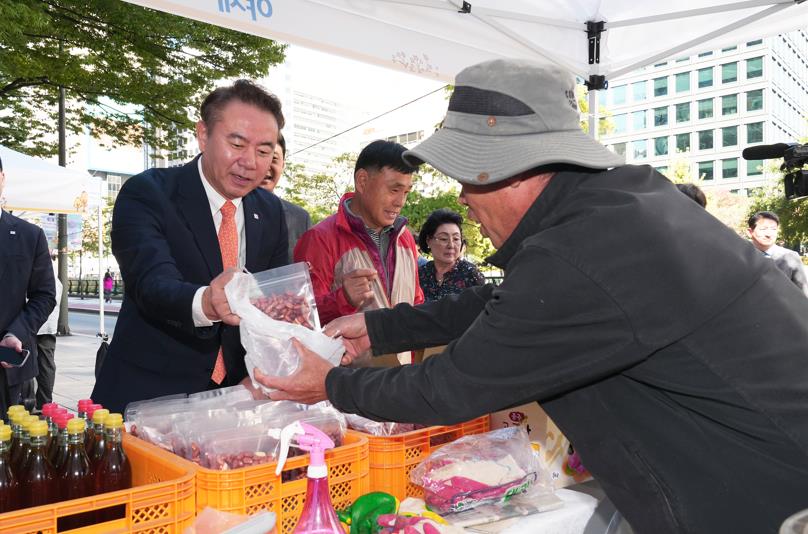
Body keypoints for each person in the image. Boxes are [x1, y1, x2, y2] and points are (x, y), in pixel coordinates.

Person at [252, 60, 808, 533]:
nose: (464, 199)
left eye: (469, 177)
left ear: (516, 169)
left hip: (769, 500)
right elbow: (516, 301)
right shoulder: (616, 207)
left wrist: (329, 384)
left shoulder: (583, 248)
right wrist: (381, 328)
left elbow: (452, 386)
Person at [91, 79, 289, 413]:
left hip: (235, 400)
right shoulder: (148, 193)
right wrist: (208, 303)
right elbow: (151, 285)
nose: (251, 162)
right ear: (203, 134)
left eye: (264, 150)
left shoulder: (269, 212)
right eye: (237, 143)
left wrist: (267, 370)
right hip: (149, 396)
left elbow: (275, 300)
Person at [293, 139, 424, 337]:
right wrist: (343, 298)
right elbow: (300, 318)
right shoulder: (319, 239)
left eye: (406, 192)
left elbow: (416, 304)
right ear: (362, 181)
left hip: (404, 367)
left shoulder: (405, 239)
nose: (400, 202)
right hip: (343, 367)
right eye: (394, 190)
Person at [0, 155, 57, 417]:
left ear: (2, 179)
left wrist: (17, 333)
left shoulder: (28, 235)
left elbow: (44, 295)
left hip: (8, 369)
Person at [260, 133, 312, 263]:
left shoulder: (300, 218)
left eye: (274, 159)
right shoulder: (228, 208)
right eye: (261, 156)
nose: (267, 166)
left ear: (283, 164)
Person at [417, 208, 484, 301]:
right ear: (428, 241)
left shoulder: (470, 274)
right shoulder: (420, 274)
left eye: (456, 239)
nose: (451, 245)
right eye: (444, 239)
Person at [747, 211, 808, 297]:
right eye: (763, 229)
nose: (769, 234)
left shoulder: (790, 257)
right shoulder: (741, 256)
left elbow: (802, 293)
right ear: (750, 232)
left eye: (773, 229)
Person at [35, 252, 62, 410]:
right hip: (47, 323)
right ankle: (45, 403)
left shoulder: (31, 261)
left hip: (30, 322)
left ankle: (28, 401)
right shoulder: (50, 266)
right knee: (46, 363)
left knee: (24, 361)